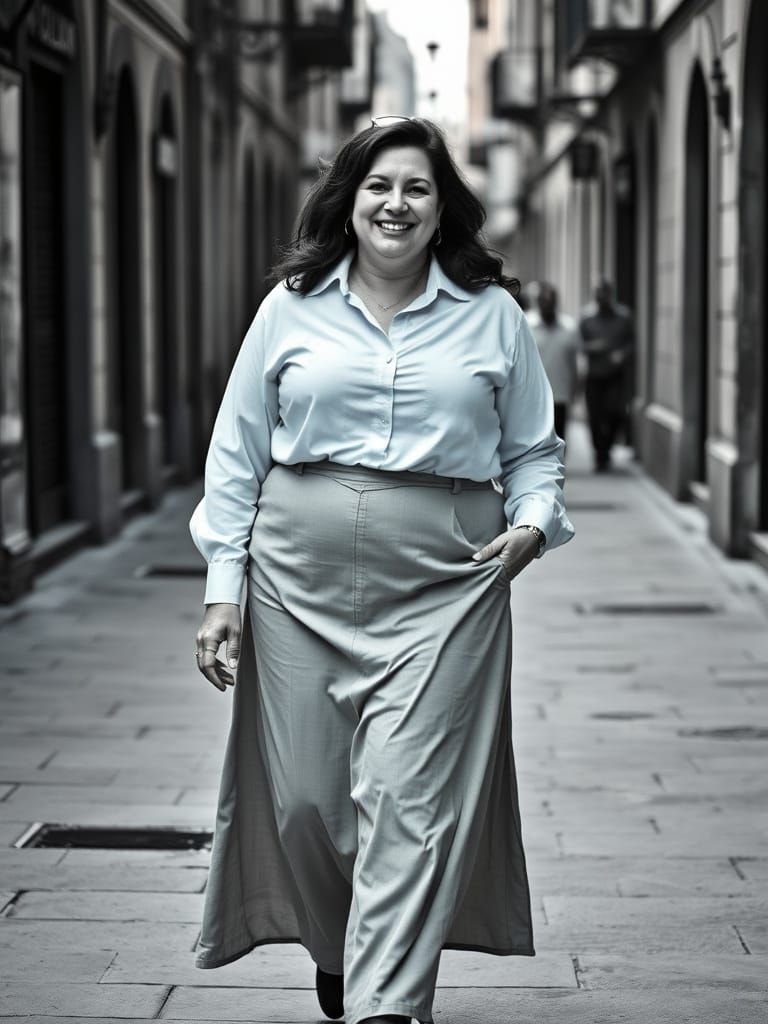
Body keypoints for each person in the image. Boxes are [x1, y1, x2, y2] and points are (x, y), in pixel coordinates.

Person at [189, 116, 574, 1024]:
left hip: (446, 582)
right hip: (294, 585)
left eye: (417, 188)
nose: (396, 203)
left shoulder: (493, 315)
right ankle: (342, 943)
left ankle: (388, 1003)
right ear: (349, 200)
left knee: (410, 799)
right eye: (379, 185)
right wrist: (222, 591)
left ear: (443, 211)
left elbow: (536, 451)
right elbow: (236, 456)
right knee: (308, 807)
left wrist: (530, 526)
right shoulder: (289, 305)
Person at [578, 279, 635, 471]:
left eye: (604, 294)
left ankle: (607, 447)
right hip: (594, 374)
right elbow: (578, 345)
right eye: (597, 294)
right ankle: (600, 454)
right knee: (595, 416)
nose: (601, 298)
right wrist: (593, 347)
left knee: (616, 413)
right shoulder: (586, 318)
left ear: (610, 295)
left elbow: (632, 342)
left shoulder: (623, 317)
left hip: (615, 375)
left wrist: (622, 354)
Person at [525, 282, 580, 444]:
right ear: (538, 303)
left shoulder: (569, 327)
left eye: (551, 301)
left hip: (560, 395)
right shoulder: (527, 324)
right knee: (535, 442)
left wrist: (575, 390)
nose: (547, 305)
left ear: (556, 302)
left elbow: (574, 362)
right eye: (543, 301)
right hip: (533, 396)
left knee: (559, 440)